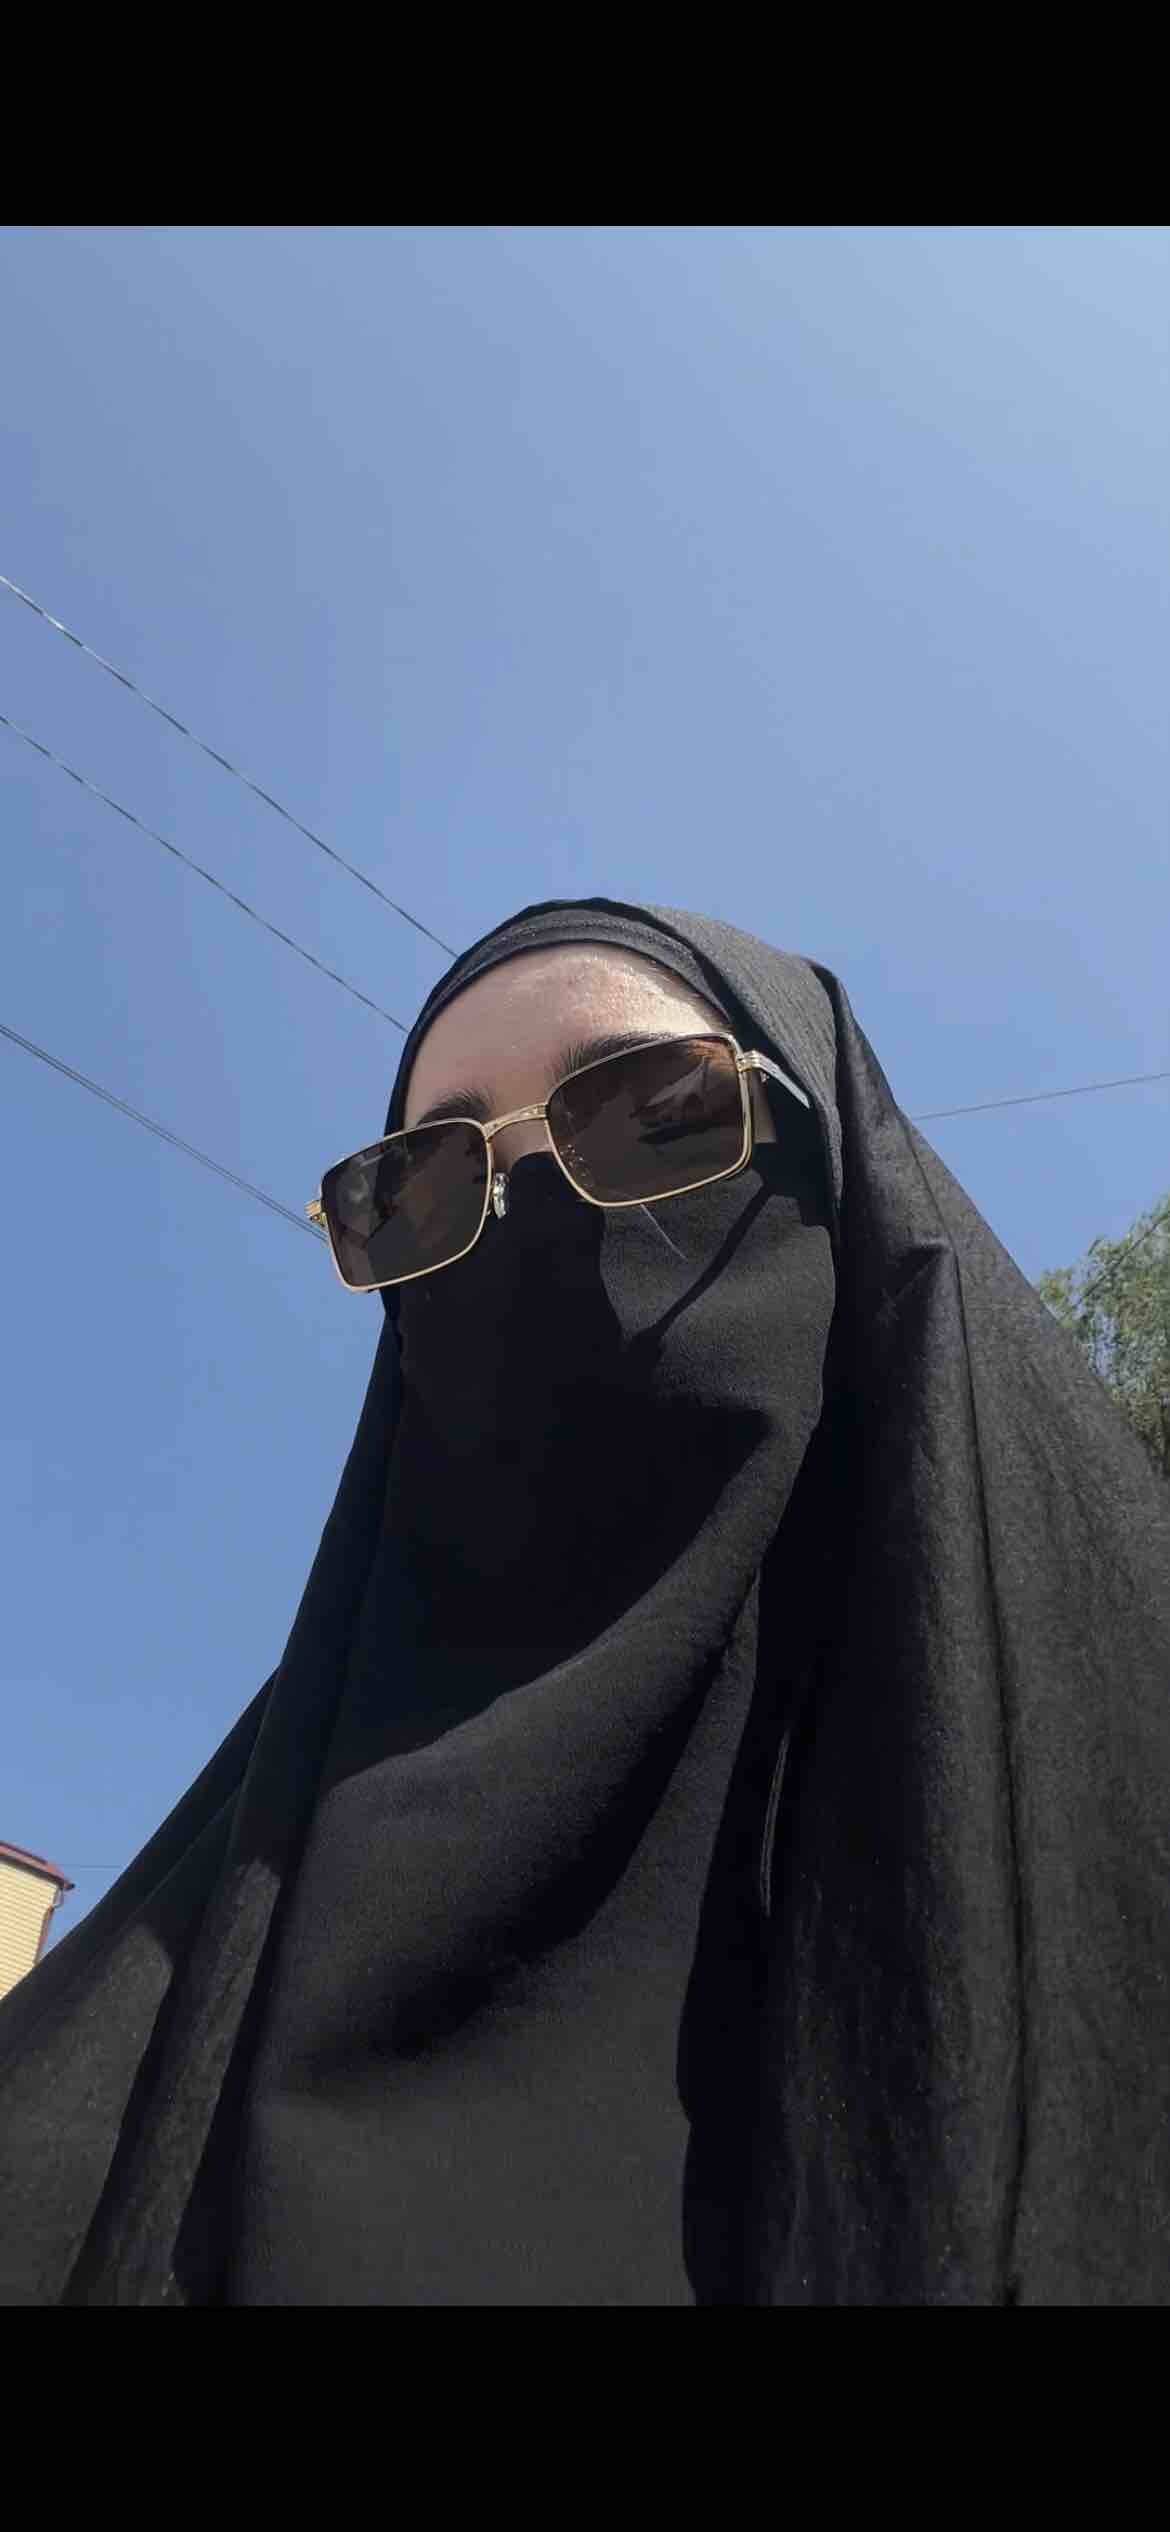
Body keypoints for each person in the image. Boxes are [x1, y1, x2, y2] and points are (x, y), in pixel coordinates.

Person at [2, 894, 1167, 2306]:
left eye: (656, 1109)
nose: (533, 1219)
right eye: (413, 1189)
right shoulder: (99, 2057)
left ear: (840, 1176)